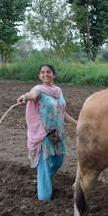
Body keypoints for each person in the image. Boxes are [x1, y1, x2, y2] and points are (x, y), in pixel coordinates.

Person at [17, 64, 77, 201]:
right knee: (44, 165)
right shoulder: (38, 90)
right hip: (44, 133)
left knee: (59, 160)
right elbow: (32, 95)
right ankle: (44, 197)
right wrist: (25, 96)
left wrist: (77, 124)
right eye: (43, 73)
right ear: (39, 76)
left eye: (48, 72)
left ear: (54, 75)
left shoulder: (58, 91)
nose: (45, 75)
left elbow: (61, 112)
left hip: (57, 133)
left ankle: (42, 180)